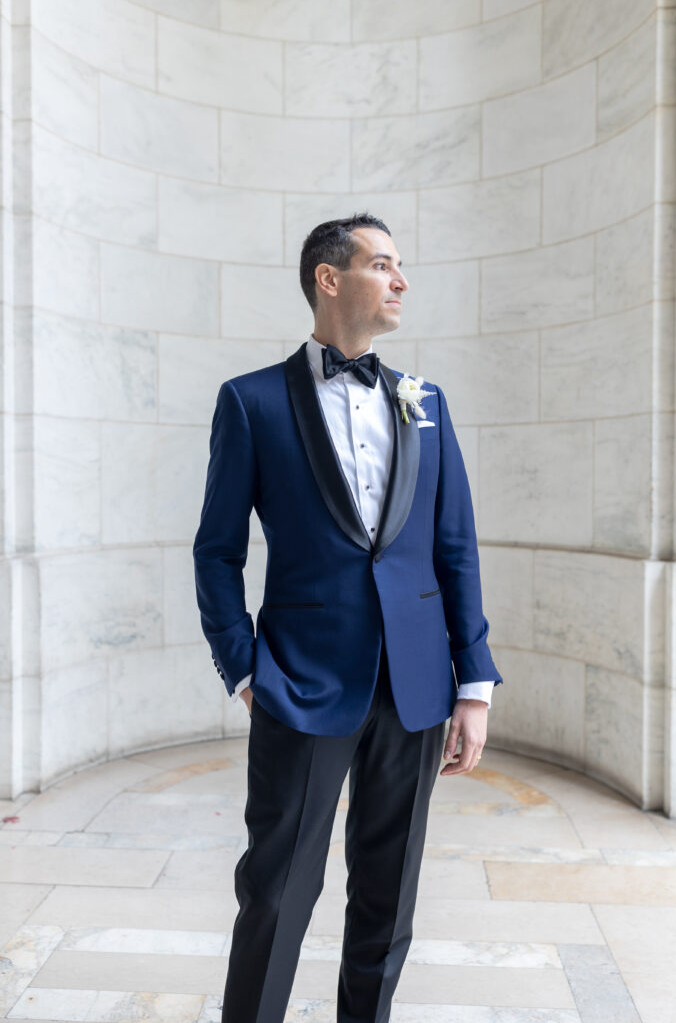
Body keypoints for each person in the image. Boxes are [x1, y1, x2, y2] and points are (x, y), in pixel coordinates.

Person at [192, 212, 503, 1023]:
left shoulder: (423, 402)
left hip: (415, 686)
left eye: (401, 268)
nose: (401, 281)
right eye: (384, 264)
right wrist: (244, 667)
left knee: (388, 896)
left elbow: (454, 549)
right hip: (300, 679)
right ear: (329, 279)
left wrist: (473, 682)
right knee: (276, 892)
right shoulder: (251, 402)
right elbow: (216, 551)